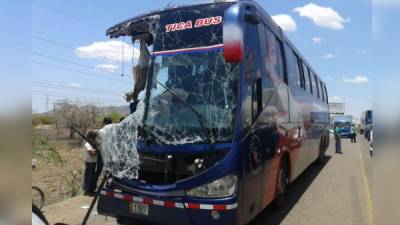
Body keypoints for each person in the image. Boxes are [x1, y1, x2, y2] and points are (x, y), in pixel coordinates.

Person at [92, 117, 112, 191]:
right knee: (110, 171)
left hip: (102, 153)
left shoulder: (100, 131)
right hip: (110, 154)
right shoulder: (113, 131)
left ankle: (93, 187)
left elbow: (95, 141)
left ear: (104, 123)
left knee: (98, 170)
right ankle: (109, 187)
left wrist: (97, 146)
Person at [83, 131, 98, 196]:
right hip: (90, 163)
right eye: (93, 138)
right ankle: (88, 191)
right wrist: (98, 150)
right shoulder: (88, 144)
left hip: (93, 163)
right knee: (89, 177)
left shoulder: (92, 144)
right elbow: (92, 154)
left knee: (91, 176)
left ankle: (90, 190)